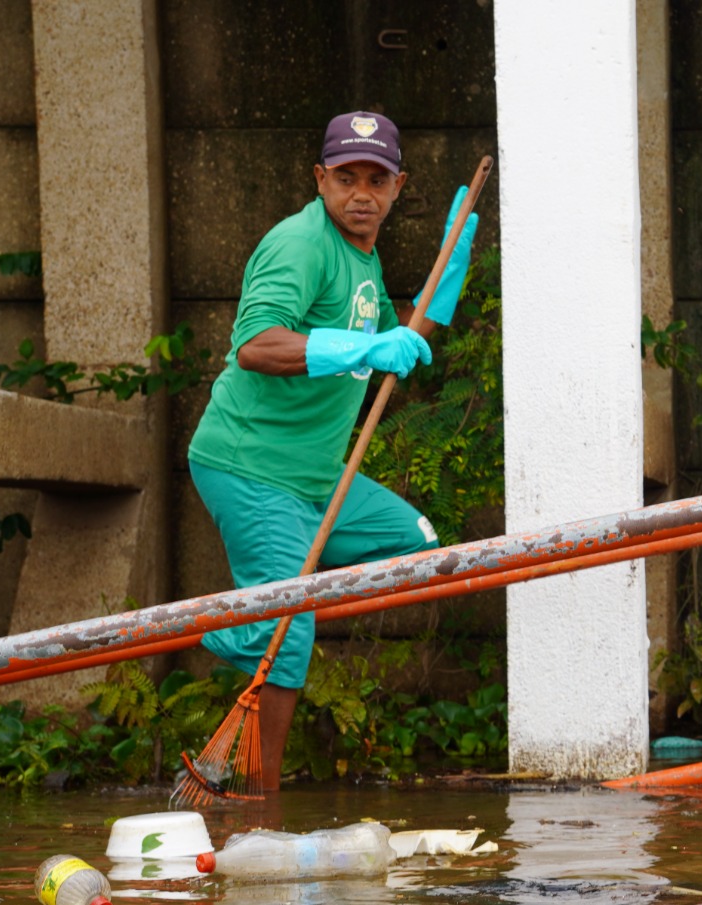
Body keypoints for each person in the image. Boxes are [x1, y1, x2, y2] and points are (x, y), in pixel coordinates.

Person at [186, 110, 478, 789]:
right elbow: (256, 345)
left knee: (419, 548)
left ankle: (263, 617)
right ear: (321, 179)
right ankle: (259, 800)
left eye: (377, 179)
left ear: (399, 186)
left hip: (319, 478)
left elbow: (400, 340)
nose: (361, 193)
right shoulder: (301, 244)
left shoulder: (364, 256)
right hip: (251, 464)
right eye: (346, 177)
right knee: (291, 635)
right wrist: (366, 346)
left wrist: (451, 269)